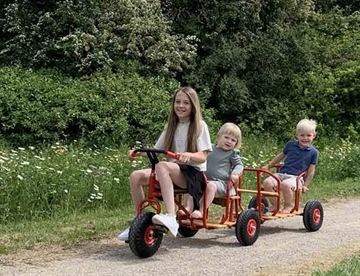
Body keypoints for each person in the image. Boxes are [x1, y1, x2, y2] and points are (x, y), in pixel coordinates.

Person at [118, 87, 212, 241]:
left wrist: (189, 155)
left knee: (162, 166)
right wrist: (137, 152)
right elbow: (157, 151)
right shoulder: (171, 126)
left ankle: (171, 217)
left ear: (193, 106)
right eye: (177, 101)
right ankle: (140, 222)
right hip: (172, 171)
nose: (180, 106)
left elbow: (203, 156)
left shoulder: (200, 126)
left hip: (193, 175)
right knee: (136, 176)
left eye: (186, 103)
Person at [184, 122, 244, 219]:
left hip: (222, 184)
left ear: (236, 144)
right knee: (192, 183)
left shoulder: (232, 154)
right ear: (218, 136)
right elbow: (199, 156)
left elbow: (239, 165)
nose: (229, 141)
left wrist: (235, 173)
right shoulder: (209, 148)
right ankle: (188, 207)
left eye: (233, 140)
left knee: (211, 186)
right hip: (204, 181)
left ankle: (201, 212)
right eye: (226, 137)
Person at [262, 119, 319, 214]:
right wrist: (269, 165)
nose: (305, 138)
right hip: (282, 173)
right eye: (302, 135)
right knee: (267, 182)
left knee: (285, 184)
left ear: (314, 136)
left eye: (308, 135)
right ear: (297, 135)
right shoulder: (290, 145)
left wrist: (305, 185)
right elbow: (281, 156)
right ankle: (276, 205)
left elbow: (311, 170)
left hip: (296, 178)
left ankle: (288, 205)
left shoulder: (314, 152)